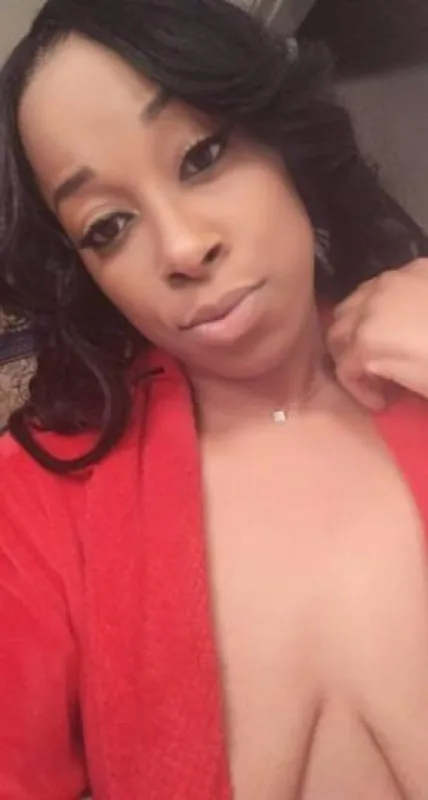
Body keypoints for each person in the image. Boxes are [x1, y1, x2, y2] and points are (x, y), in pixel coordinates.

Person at [0, 0, 428, 798]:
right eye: (108, 226)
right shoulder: (34, 502)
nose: (184, 246)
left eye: (201, 155)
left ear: (280, 138)